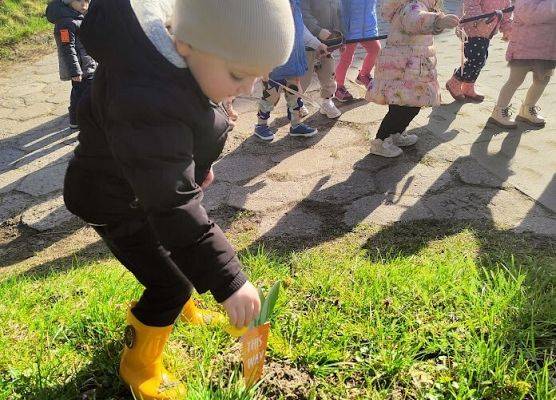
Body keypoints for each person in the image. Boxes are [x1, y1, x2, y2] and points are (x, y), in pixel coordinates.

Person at [62, 0, 295, 398]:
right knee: (168, 283)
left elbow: (180, 136)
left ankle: (181, 311)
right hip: (114, 200)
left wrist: (196, 163)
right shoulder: (144, 95)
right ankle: (140, 366)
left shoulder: (182, 63)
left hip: (143, 189)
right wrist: (229, 281)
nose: (248, 90)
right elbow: (171, 204)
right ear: (185, 45)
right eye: (240, 75)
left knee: (180, 261)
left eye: (260, 78)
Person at [366, 0, 460, 157]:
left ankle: (396, 133)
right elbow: (416, 20)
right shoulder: (412, 5)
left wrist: (438, 21)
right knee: (403, 108)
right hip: (404, 68)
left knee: (405, 105)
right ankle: (380, 142)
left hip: (409, 67)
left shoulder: (419, 4)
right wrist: (438, 20)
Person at [254, 0, 327, 141]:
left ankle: (296, 124)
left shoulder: (295, 5)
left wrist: (316, 44)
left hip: (293, 61)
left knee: (295, 95)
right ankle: (261, 125)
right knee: (270, 96)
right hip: (274, 64)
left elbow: (301, 30)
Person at [489, 0, 556, 128]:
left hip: (547, 46)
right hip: (524, 45)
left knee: (542, 80)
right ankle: (499, 110)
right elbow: (529, 15)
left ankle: (528, 108)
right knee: (515, 80)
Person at [445, 0, 512, 102]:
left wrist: (507, 30)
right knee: (476, 59)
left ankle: (468, 86)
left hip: (487, 33)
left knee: (481, 60)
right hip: (473, 28)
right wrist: (481, 19)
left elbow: (506, 16)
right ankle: (454, 81)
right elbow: (471, 4)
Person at [46, 0, 96, 129]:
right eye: (80, 2)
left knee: (79, 92)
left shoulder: (77, 17)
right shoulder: (66, 23)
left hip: (87, 64)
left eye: (86, 1)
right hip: (80, 68)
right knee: (86, 92)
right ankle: (82, 119)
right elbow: (67, 47)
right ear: (69, 3)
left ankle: (75, 120)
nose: (84, 5)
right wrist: (75, 71)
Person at [300, 0, 343, 118]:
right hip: (307, 44)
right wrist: (317, 30)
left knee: (328, 73)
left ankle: (327, 100)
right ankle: (296, 101)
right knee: (304, 76)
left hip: (328, 43)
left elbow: (338, 14)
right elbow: (302, 14)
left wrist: (340, 36)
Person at [334, 0, 381, 102]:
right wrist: (340, 29)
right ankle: (338, 86)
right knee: (346, 59)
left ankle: (363, 75)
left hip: (368, 27)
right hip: (349, 29)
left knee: (376, 51)